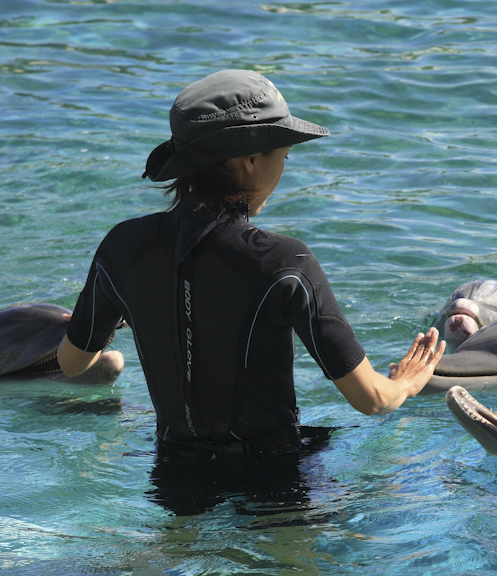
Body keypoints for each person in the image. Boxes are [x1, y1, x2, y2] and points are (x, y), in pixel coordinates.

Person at [57, 69, 445, 456]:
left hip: (175, 476)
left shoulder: (122, 246)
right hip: (272, 485)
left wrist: (131, 305)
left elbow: (72, 363)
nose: (282, 170)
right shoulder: (283, 263)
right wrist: (407, 383)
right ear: (249, 159)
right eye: (284, 156)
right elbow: (372, 400)